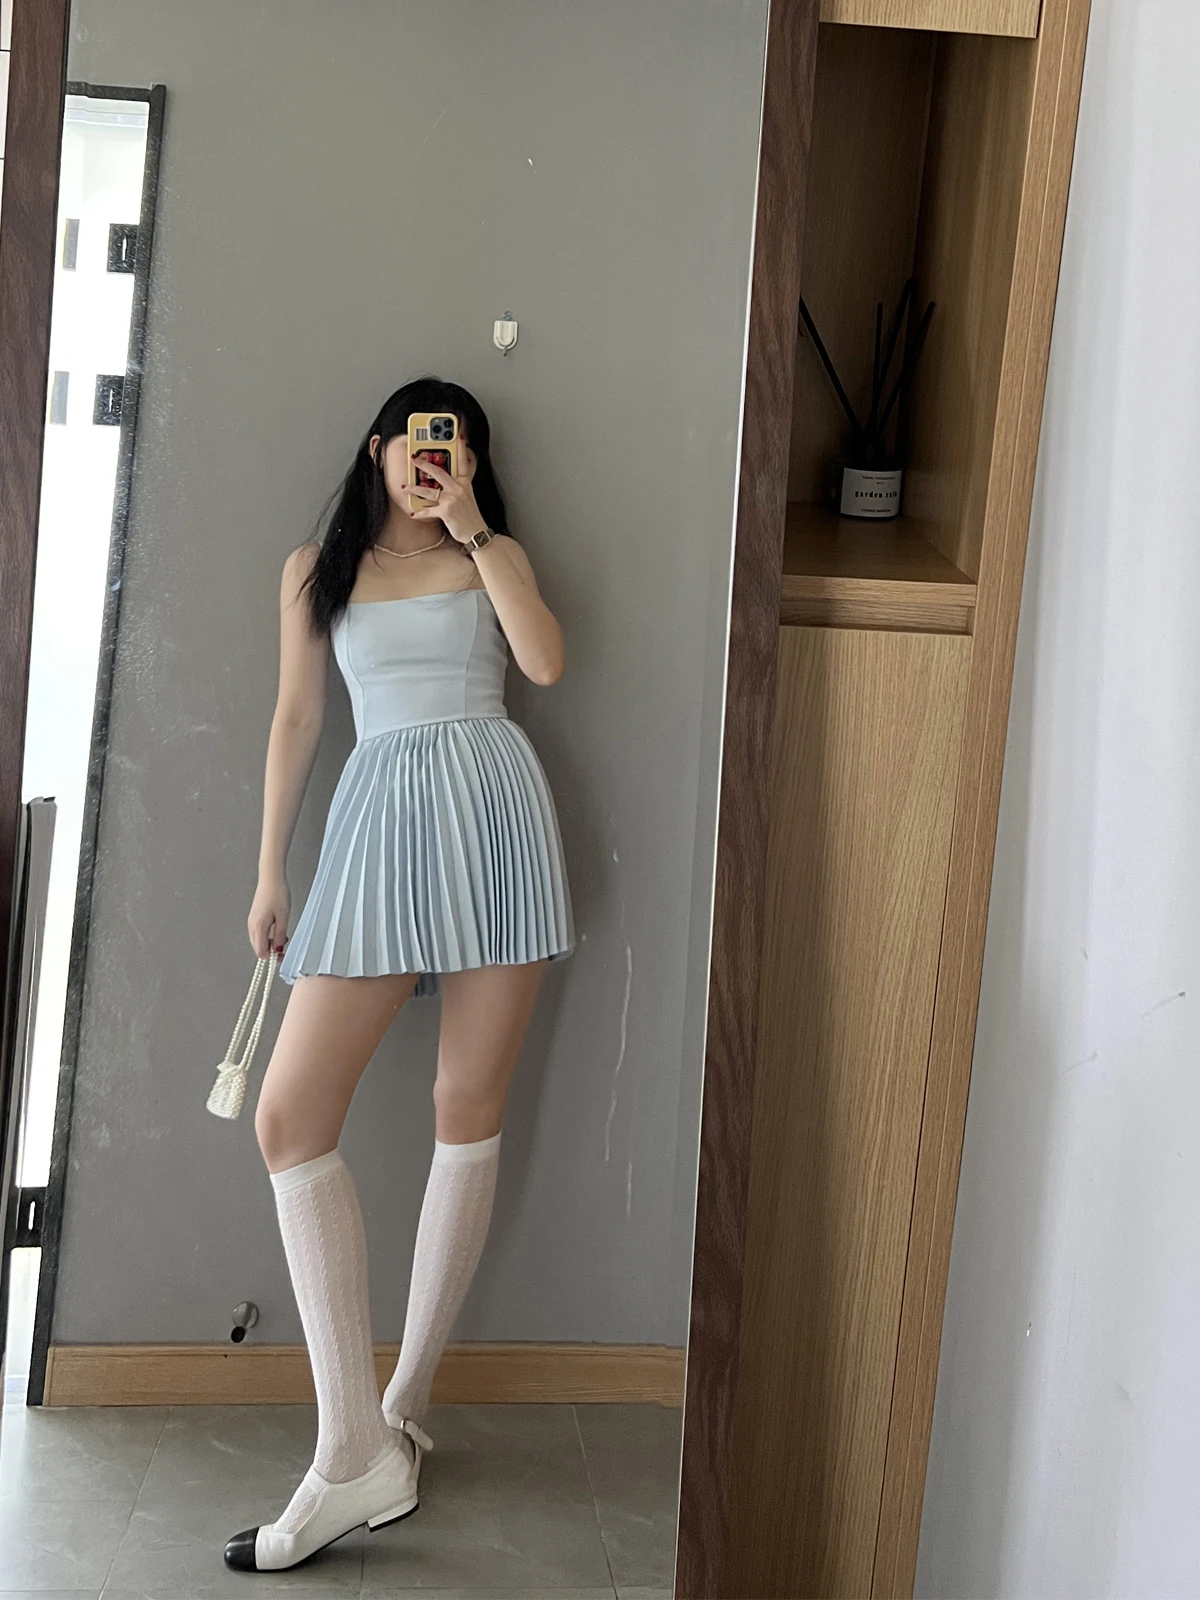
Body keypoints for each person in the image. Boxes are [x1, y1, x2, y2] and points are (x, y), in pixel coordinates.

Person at [224, 377, 575, 1571]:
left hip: (494, 811)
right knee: (288, 1116)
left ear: (471, 461)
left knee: (464, 1104)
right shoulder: (314, 569)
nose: (435, 461)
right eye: (421, 444)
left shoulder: (493, 551)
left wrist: (475, 531)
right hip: (376, 820)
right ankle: (353, 1440)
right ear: (380, 449)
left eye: (455, 448)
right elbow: (295, 719)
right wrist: (271, 870)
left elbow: (546, 662)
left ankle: (398, 1409)